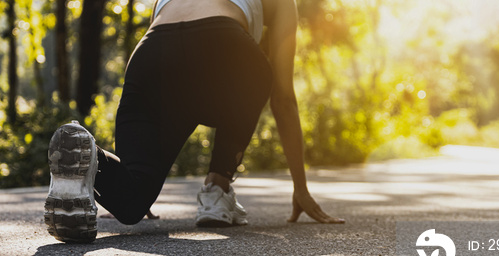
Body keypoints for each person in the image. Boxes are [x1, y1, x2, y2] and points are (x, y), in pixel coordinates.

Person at [44, 0, 345, 243]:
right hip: (223, 45)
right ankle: (217, 188)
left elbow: (171, 55)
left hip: (152, 54)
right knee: (255, 72)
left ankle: (93, 157)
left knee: (132, 202)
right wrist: (301, 189)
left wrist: (130, 174)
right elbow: (283, 98)